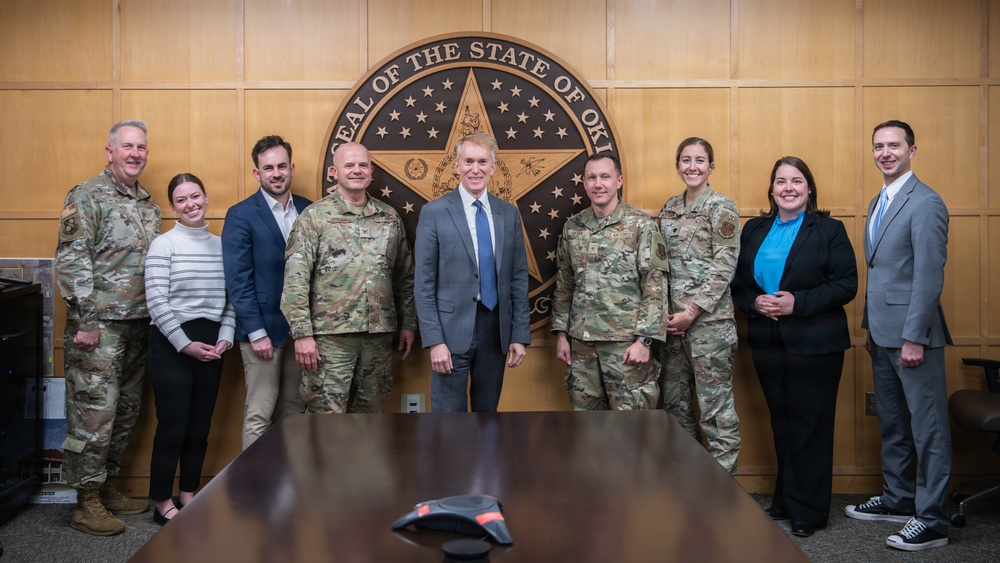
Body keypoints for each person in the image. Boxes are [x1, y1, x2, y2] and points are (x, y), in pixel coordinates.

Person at [731, 156, 857, 538]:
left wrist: (795, 303)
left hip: (816, 344)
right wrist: (754, 302)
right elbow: (737, 283)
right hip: (767, 341)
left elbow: (845, 284)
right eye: (781, 181)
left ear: (809, 188)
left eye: (796, 181)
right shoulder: (754, 229)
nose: (788, 188)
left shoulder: (829, 230)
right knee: (783, 422)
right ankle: (786, 499)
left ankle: (809, 511)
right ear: (772, 189)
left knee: (809, 425)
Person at [844, 120, 953, 552]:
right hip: (882, 335)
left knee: (928, 430)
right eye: (878, 146)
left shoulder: (925, 202)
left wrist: (914, 337)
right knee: (893, 423)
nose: (885, 153)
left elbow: (928, 275)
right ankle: (898, 499)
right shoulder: (880, 200)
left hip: (913, 338)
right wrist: (871, 328)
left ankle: (932, 520)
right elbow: (882, 273)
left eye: (894, 145)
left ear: (912, 150)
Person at [55, 120, 160, 535]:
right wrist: (85, 321)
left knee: (124, 412)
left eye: (141, 147)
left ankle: (106, 485)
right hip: (98, 328)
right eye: (127, 146)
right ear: (110, 151)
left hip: (138, 324)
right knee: (93, 414)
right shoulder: (86, 195)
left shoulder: (148, 204)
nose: (135, 154)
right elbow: (72, 260)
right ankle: (86, 502)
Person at [280, 142, 416, 413]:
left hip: (378, 337)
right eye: (349, 165)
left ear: (371, 171)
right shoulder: (314, 217)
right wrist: (302, 334)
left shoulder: (389, 217)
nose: (357, 170)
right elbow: (296, 279)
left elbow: (404, 276)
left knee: (371, 416)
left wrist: (409, 323)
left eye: (363, 165)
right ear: (334, 172)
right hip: (330, 340)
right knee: (326, 418)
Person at [414, 132, 530, 412]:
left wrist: (518, 334)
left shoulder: (508, 214)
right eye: (468, 161)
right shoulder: (434, 213)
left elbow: (518, 279)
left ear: (493, 166)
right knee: (449, 420)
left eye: (482, 162)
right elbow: (423, 284)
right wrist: (435, 341)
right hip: (450, 333)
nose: (475, 169)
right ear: (457, 165)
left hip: (495, 330)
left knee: (487, 418)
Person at [144, 173, 235, 524]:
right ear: (172, 206)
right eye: (181, 200)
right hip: (171, 343)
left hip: (212, 343)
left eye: (195, 196)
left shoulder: (222, 246)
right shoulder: (163, 245)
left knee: (199, 425)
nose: (190, 204)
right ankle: (161, 500)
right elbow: (156, 301)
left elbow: (231, 299)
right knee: (173, 424)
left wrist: (225, 335)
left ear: (206, 196)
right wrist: (185, 345)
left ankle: (188, 494)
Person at [551, 153, 668, 410]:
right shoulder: (573, 227)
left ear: (619, 181)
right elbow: (564, 284)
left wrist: (645, 341)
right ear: (584, 183)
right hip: (582, 346)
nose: (598, 184)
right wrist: (561, 334)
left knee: (631, 426)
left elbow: (655, 287)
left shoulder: (641, 226)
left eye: (605, 177)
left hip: (625, 347)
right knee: (586, 426)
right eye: (592, 178)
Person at [657, 137, 742, 474]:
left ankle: (724, 493)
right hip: (673, 329)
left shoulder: (722, 207)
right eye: (686, 160)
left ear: (711, 166)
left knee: (715, 413)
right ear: (678, 165)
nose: (692, 167)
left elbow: (725, 266)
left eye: (700, 160)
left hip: (709, 329)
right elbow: (660, 266)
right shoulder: (669, 209)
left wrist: (691, 312)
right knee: (676, 410)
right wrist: (667, 317)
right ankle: (691, 485)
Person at [222, 135, 312, 449]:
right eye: (268, 168)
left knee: (294, 412)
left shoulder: (309, 210)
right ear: (256, 173)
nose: (276, 173)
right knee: (260, 413)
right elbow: (238, 280)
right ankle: (254, 480)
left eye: (282, 166)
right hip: (261, 333)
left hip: (300, 333)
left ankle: (291, 478)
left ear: (292, 169)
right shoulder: (241, 214)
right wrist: (256, 332)